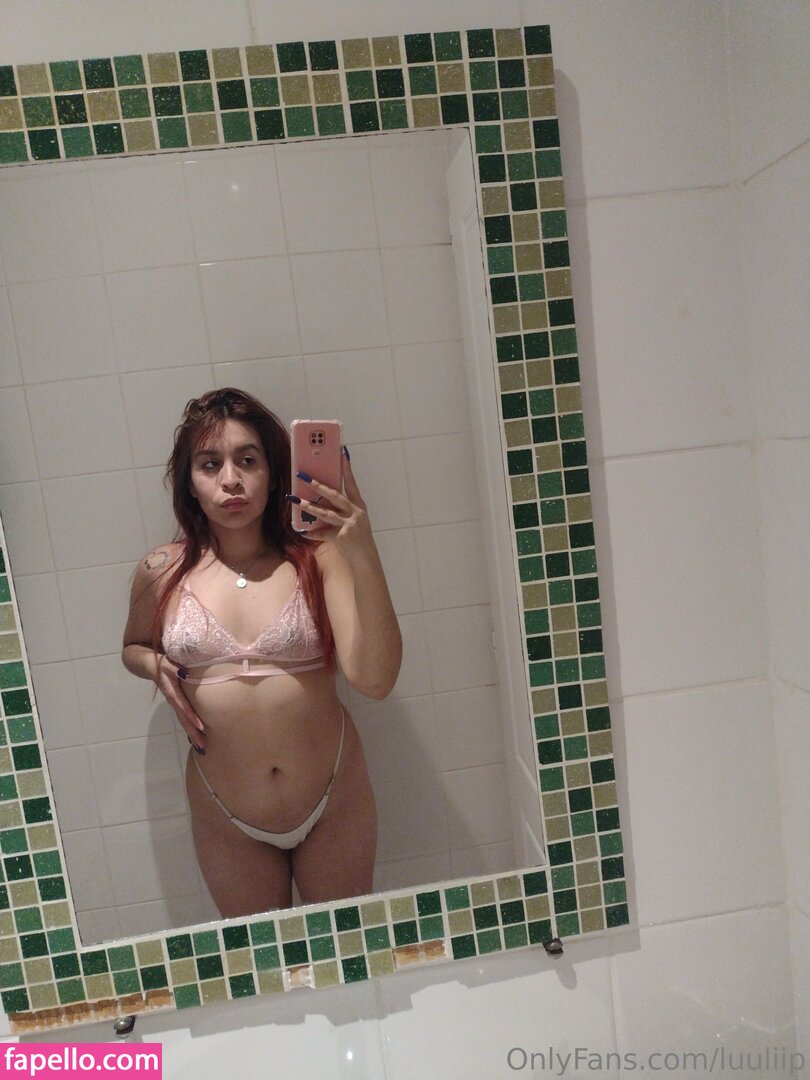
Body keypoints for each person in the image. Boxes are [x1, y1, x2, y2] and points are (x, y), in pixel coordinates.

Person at [122, 388, 401, 917]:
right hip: (225, 814)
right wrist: (154, 666)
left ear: (273, 473)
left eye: (248, 461)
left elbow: (376, 680)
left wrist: (363, 550)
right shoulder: (161, 570)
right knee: (260, 960)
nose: (231, 479)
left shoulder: (318, 559)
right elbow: (133, 645)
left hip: (333, 798)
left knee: (348, 953)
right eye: (210, 464)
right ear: (189, 482)